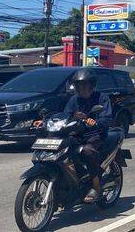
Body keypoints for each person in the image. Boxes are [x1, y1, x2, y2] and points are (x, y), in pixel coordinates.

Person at [34, 69, 118, 202]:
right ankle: (70, 178)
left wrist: (95, 122)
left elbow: (107, 119)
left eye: (85, 85)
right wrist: (45, 122)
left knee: (87, 151)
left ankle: (96, 187)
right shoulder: (74, 100)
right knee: (61, 148)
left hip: (95, 135)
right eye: (79, 85)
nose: (82, 88)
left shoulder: (102, 98)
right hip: (77, 134)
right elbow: (64, 115)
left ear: (92, 85)